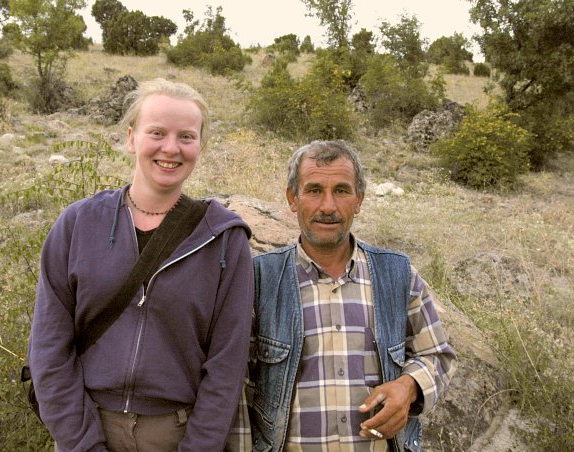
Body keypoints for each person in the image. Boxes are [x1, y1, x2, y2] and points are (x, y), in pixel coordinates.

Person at [28, 78, 254, 451]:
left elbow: (227, 367)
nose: (171, 148)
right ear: (131, 138)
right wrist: (82, 443)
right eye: (157, 132)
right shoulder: (78, 224)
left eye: (186, 136)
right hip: (84, 427)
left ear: (201, 146)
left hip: (177, 435)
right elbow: (49, 348)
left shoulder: (224, 239)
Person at [245, 140, 456, 452]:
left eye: (342, 191)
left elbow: (437, 355)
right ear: (293, 198)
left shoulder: (396, 275)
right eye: (314, 190)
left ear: (359, 199)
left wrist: (408, 386)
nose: (328, 206)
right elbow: (230, 384)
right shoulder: (259, 280)